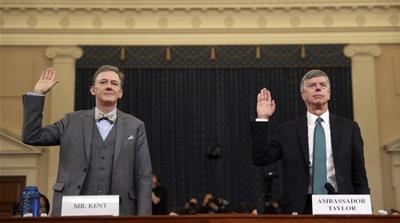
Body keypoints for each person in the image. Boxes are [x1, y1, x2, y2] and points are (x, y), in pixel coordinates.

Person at [21, 65, 152, 216]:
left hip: (121, 211)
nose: (109, 86)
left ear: (120, 93)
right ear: (92, 90)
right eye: (103, 82)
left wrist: (144, 218)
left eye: (114, 83)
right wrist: (38, 94)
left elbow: (143, 174)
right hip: (73, 209)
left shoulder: (135, 126)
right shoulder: (70, 121)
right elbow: (32, 136)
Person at [251, 69, 369, 214]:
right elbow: (260, 158)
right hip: (301, 207)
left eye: (323, 85)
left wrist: (365, 211)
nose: (318, 88)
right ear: (303, 95)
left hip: (342, 205)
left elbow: (359, 174)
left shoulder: (349, 128)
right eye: (312, 85)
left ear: (329, 93)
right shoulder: (287, 131)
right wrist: (262, 118)